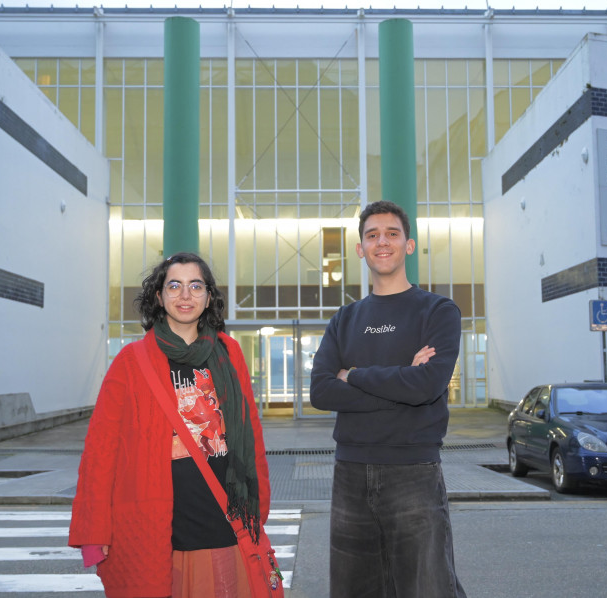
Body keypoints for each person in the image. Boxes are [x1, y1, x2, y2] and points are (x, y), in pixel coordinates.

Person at [69, 252, 272, 598]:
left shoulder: (229, 353)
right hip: (155, 524)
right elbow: (100, 452)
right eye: (174, 286)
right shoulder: (131, 362)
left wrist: (258, 501)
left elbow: (249, 431)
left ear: (209, 297)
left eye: (196, 286)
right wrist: (94, 532)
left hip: (221, 517)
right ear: (159, 297)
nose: (185, 295)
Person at [310, 200, 466, 598]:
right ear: (360, 249)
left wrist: (356, 376)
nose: (383, 242)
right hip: (350, 471)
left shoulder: (438, 311)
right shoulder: (344, 319)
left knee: (427, 587)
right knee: (352, 589)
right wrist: (404, 383)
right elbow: (322, 391)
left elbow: (428, 385)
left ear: (409, 245)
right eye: (372, 235)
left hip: (413, 468)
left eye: (392, 234)